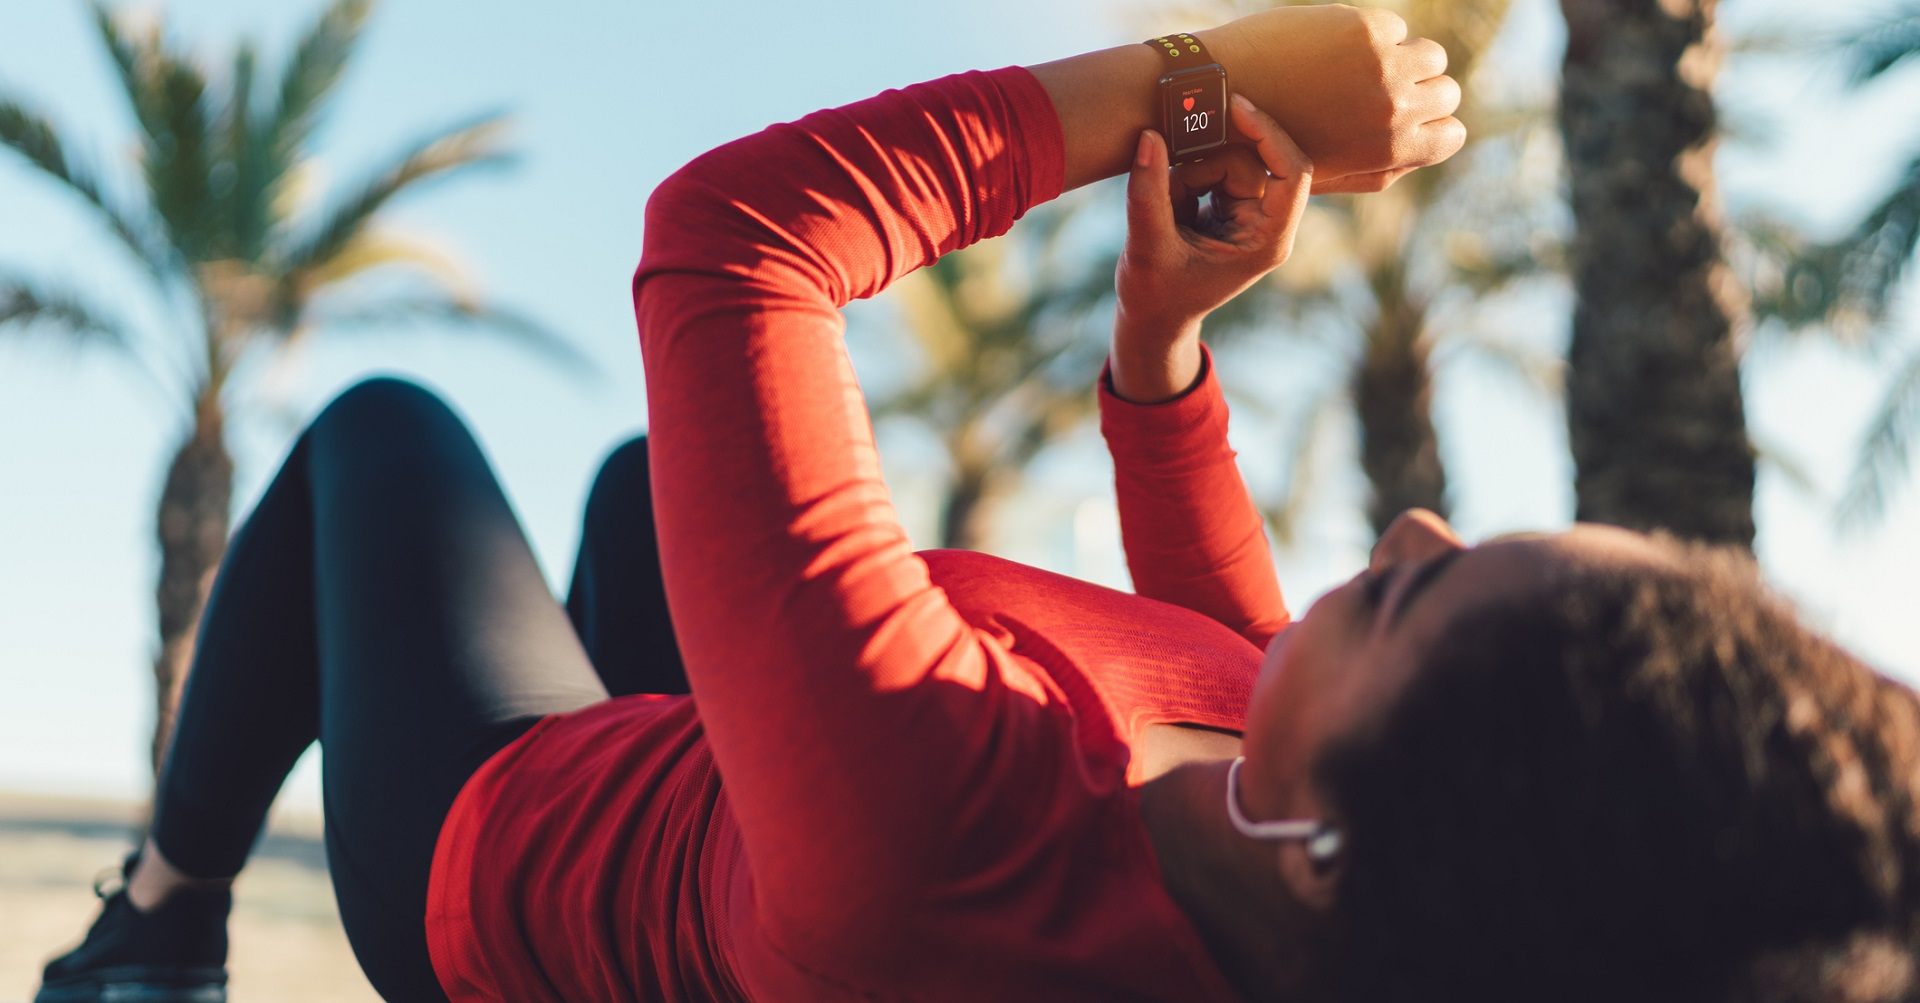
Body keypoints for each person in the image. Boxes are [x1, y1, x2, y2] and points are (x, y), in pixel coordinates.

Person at [35, 5, 1919, 1002]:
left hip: (495, 859)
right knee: (631, 494)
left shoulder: (945, 834)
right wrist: (1160, 345)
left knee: (384, 426)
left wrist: (1208, 72)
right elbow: (1234, 649)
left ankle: (156, 926)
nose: (1412, 536)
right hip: (753, 823)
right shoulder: (1321, 887)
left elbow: (731, 244)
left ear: (1346, 844)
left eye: (1423, 600)